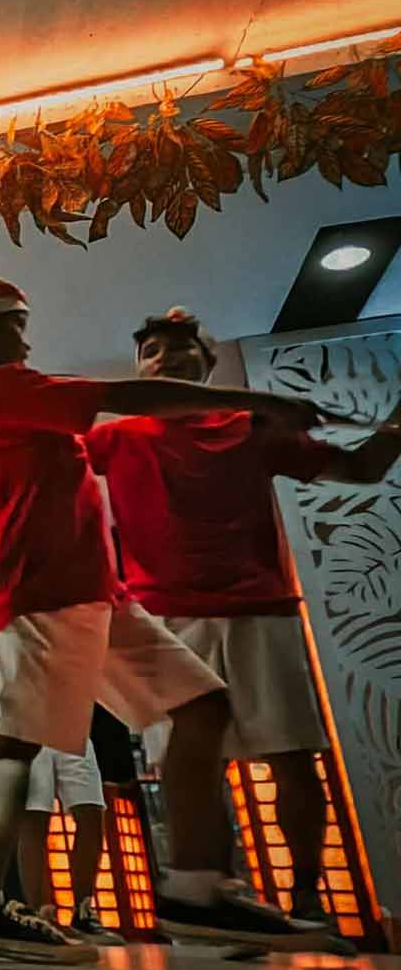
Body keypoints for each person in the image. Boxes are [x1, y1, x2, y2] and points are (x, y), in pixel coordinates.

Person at [0, 268, 333, 952]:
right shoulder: (2, 388)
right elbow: (126, 396)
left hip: (95, 596)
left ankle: (196, 887)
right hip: (49, 597)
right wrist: (259, 398)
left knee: (200, 707)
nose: (26, 338)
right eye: (14, 325)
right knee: (14, 750)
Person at [87, 306, 401, 935]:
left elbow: (362, 468)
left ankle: (306, 901)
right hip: (167, 617)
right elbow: (37, 465)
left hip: (261, 608)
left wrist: (395, 428)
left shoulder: (253, 428)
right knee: (190, 763)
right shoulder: (117, 438)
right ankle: (212, 898)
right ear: (141, 370)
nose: (166, 358)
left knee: (293, 757)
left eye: (180, 347)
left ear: (207, 363)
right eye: (152, 350)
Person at [0, 595, 123, 944]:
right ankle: (39, 910)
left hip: (72, 720)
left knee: (92, 812)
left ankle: (83, 910)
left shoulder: (71, 599)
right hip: (25, 720)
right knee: (34, 817)